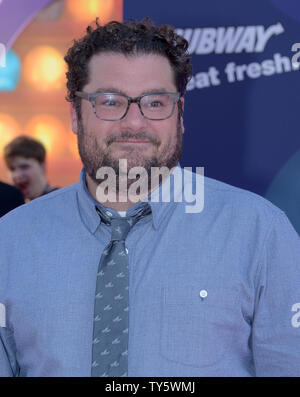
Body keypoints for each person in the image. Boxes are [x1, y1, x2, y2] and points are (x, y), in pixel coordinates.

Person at [0, 18, 300, 377]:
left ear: (181, 114)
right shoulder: (10, 242)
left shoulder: (260, 233)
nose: (134, 123)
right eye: (109, 102)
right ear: (75, 115)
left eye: (155, 102)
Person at [3, 135, 58, 201]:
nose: (17, 175)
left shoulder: (59, 199)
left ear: (42, 166)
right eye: (12, 169)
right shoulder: (11, 205)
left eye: (24, 167)